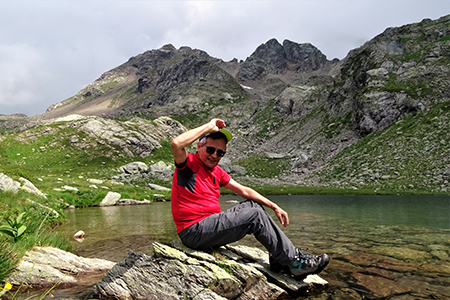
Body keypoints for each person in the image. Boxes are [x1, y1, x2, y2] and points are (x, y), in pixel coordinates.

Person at [170, 118, 329, 277]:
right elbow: (177, 143)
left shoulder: (216, 172)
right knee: (254, 215)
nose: (214, 156)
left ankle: (278, 260)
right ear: (199, 146)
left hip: (208, 226)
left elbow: (244, 191)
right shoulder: (188, 165)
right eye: (211, 150)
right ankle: (294, 262)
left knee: (253, 206)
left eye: (220, 153)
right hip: (193, 232)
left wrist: (274, 206)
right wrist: (209, 127)